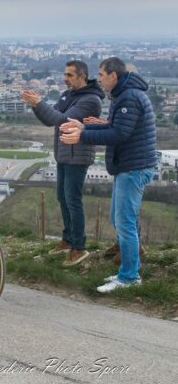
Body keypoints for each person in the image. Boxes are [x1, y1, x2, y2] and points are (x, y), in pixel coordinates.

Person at [60, 57, 157, 293]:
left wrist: (82, 136)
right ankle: (129, 269)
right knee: (121, 220)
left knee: (124, 223)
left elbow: (119, 134)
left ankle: (129, 277)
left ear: (113, 75)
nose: (100, 79)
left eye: (102, 74)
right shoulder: (124, 95)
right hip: (130, 166)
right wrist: (86, 126)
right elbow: (117, 126)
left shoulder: (128, 98)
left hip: (134, 167)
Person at [20, 60, 104, 266]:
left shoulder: (91, 100)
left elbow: (64, 120)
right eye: (65, 74)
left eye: (69, 75)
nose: (65, 78)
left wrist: (39, 103)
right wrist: (36, 106)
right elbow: (51, 119)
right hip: (64, 154)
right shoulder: (68, 95)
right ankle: (68, 240)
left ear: (82, 76)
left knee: (73, 200)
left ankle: (79, 247)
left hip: (78, 155)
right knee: (62, 198)